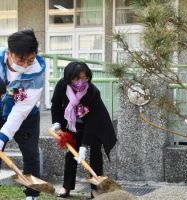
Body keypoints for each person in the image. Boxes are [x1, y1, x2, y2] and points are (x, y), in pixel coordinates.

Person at [50, 61, 117, 198]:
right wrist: (56, 122)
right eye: (77, 78)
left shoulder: (92, 92)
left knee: (95, 154)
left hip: (95, 124)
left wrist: (85, 146)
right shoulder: (62, 86)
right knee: (71, 154)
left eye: (84, 78)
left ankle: (95, 188)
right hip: (72, 124)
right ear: (69, 78)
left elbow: (92, 121)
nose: (81, 81)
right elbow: (55, 105)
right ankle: (66, 187)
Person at [0, 29, 45, 200]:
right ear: (9, 53)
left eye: (30, 59)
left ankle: (31, 194)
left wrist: (2, 137)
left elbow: (20, 111)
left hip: (27, 115)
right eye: (21, 59)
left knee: (31, 154)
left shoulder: (36, 74)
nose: (26, 65)